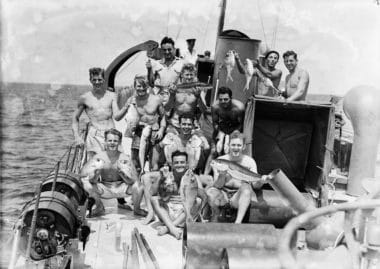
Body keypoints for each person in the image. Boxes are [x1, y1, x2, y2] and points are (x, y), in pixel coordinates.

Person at [81, 128, 146, 217]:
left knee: (139, 185)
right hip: (104, 189)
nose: (112, 143)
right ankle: (99, 207)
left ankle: (137, 209)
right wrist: (96, 174)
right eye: (110, 140)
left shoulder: (125, 158)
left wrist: (123, 175)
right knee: (86, 184)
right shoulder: (98, 157)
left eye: (115, 141)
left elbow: (134, 181)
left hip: (122, 189)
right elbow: (90, 180)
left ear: (119, 142)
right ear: (105, 141)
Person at [206, 130, 266, 223]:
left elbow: (255, 186)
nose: (236, 148)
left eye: (239, 145)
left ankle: (238, 223)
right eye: (233, 145)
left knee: (246, 189)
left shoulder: (249, 162)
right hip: (223, 195)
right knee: (210, 192)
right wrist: (222, 175)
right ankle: (214, 219)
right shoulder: (220, 161)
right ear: (228, 145)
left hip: (238, 197)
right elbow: (217, 186)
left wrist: (261, 181)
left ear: (243, 146)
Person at [145, 151, 207, 239]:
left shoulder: (193, 177)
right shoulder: (166, 175)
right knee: (154, 199)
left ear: (186, 164)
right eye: (176, 163)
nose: (179, 165)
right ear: (172, 164)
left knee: (198, 201)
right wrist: (162, 179)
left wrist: (192, 190)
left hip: (185, 213)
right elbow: (152, 192)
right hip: (168, 214)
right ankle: (173, 228)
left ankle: (169, 228)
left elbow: (203, 197)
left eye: (182, 162)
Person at [72, 67, 130, 159]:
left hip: (111, 134)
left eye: (99, 79)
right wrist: (77, 137)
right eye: (94, 80)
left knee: (116, 164)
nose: (97, 82)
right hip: (94, 136)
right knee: (96, 167)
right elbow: (75, 118)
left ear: (103, 80)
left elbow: (117, 117)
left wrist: (126, 106)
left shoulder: (112, 96)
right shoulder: (84, 98)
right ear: (90, 80)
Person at [124, 75, 166, 173]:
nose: (141, 88)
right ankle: (138, 182)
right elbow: (128, 117)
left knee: (155, 165)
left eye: (144, 86)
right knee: (135, 163)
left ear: (148, 86)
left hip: (154, 131)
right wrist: (130, 127)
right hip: (139, 132)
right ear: (134, 86)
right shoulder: (132, 100)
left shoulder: (156, 99)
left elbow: (163, 116)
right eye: (139, 86)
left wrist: (161, 129)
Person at [164, 63, 208, 129]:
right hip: (175, 123)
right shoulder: (175, 87)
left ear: (195, 75)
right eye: (187, 75)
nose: (189, 77)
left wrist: (198, 97)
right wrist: (172, 95)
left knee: (202, 139)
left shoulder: (199, 89)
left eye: (191, 75)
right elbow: (166, 108)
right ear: (182, 75)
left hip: (190, 124)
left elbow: (204, 110)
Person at [211, 87, 245, 155]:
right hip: (223, 127)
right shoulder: (215, 107)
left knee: (229, 150)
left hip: (235, 128)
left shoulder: (239, 107)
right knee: (216, 150)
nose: (223, 101)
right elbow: (215, 123)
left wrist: (234, 134)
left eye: (226, 99)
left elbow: (241, 124)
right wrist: (219, 134)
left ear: (231, 98)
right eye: (221, 99)